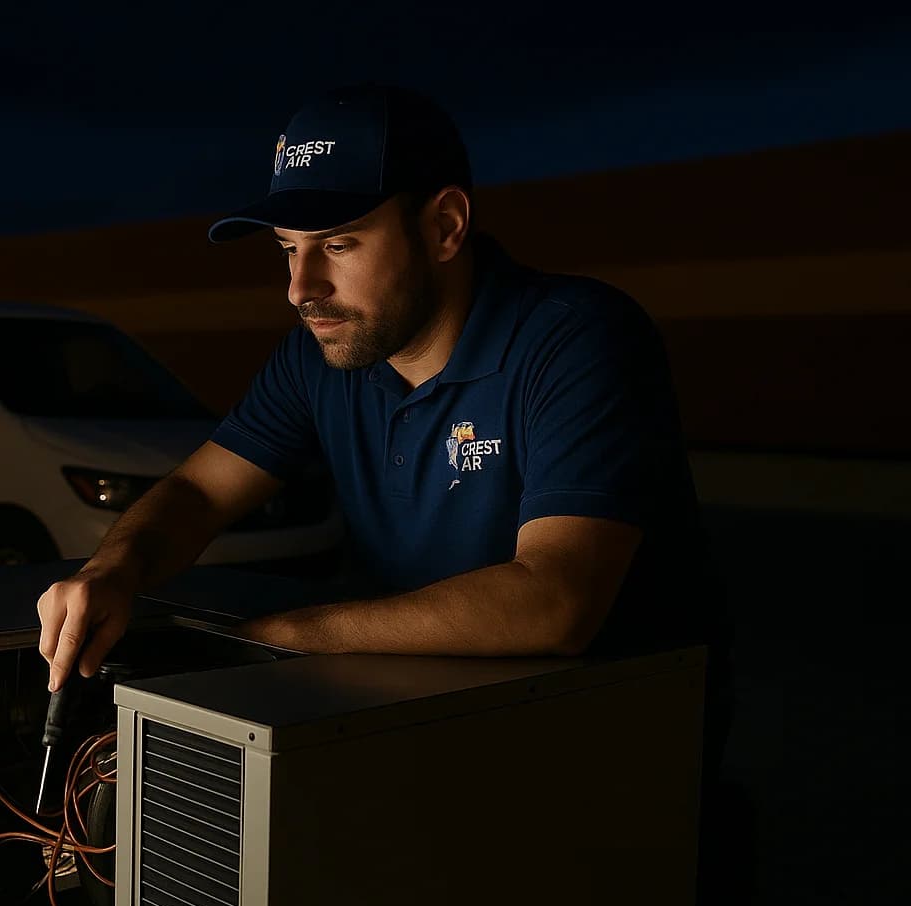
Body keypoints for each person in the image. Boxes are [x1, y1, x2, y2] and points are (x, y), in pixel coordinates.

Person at [37, 82, 732, 773]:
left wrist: (291, 636)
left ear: (445, 227)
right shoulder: (322, 356)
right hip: (427, 744)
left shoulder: (574, 338)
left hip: (612, 766)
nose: (301, 287)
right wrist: (113, 571)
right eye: (287, 248)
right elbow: (199, 492)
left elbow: (556, 600)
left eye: (338, 244)